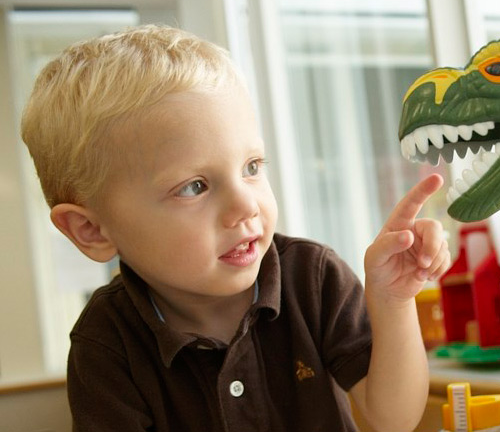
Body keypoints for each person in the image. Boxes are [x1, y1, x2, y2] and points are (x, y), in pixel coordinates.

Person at [20, 24, 450, 432]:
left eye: (251, 167)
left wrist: (393, 302)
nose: (246, 206)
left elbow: (392, 418)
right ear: (91, 230)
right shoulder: (106, 343)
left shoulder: (313, 277)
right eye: (194, 186)